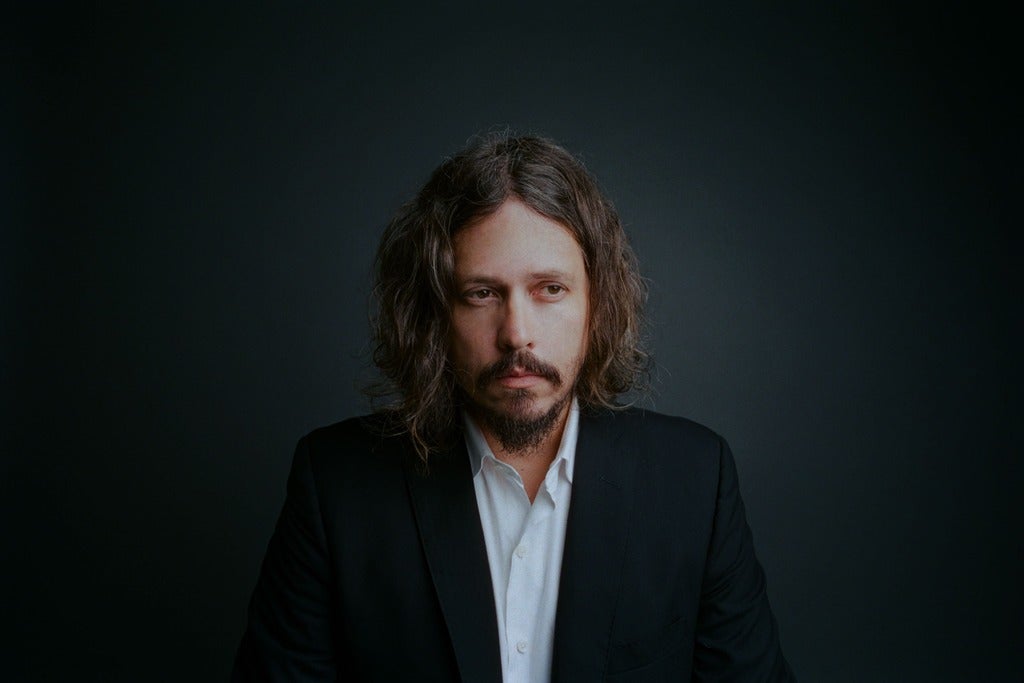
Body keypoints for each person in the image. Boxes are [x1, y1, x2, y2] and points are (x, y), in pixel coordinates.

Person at [232, 133, 795, 682]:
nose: (516, 333)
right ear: (435, 315)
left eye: (550, 289)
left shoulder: (695, 480)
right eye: (482, 293)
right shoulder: (335, 485)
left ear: (597, 304)